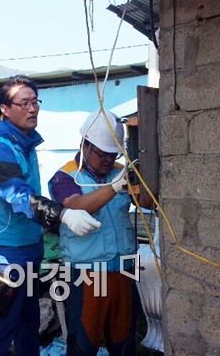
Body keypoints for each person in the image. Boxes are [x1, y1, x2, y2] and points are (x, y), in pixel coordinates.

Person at [0, 75, 102, 356]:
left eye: (35, 102)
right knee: (2, 327)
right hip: (4, 256)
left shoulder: (24, 143)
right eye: (24, 103)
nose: (32, 109)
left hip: (29, 250)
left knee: (28, 323)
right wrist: (64, 215)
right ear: (5, 109)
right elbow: (16, 194)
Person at [48, 110, 137, 356]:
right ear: (85, 144)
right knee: (83, 344)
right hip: (86, 274)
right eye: (102, 153)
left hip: (123, 270)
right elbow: (77, 205)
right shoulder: (64, 176)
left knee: (124, 343)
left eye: (113, 154)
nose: (108, 159)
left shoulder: (122, 170)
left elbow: (147, 202)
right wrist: (114, 187)